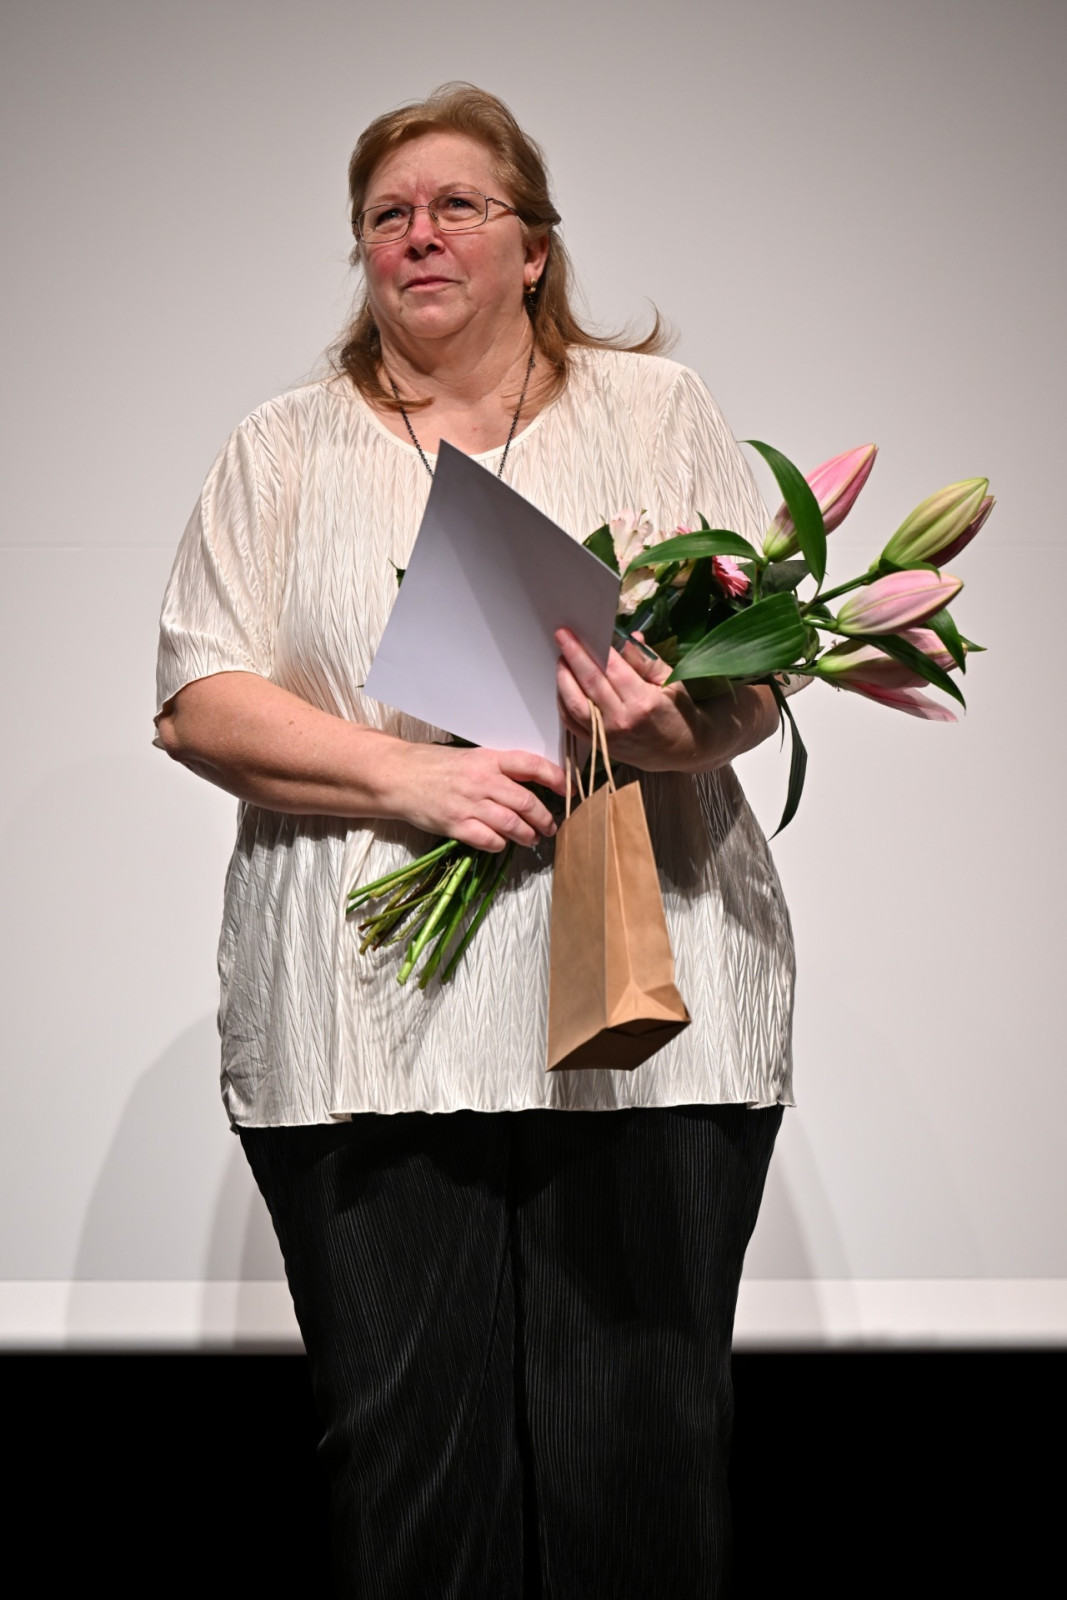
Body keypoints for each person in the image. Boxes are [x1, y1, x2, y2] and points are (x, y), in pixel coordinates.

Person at [156, 83, 796, 1599]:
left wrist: (655, 727)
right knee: (410, 1479)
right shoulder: (282, 447)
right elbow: (197, 698)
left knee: (638, 1462)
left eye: (459, 205)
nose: (420, 235)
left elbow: (754, 682)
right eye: (387, 215)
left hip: (645, 1028)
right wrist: (410, 781)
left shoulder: (657, 414)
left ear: (535, 248)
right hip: (364, 1028)